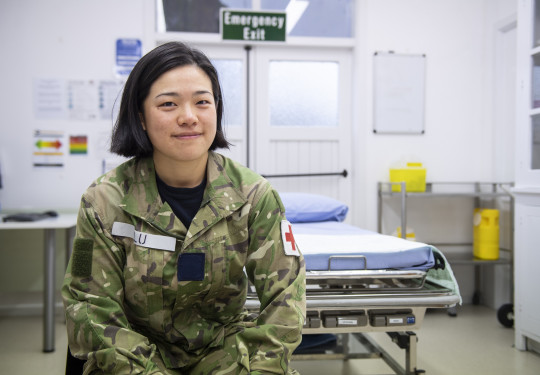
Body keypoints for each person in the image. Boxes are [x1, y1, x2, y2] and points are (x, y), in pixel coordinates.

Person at [62, 41, 306, 375]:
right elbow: (89, 307)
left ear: (216, 110)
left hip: (228, 354)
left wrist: (260, 367)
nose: (188, 117)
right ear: (141, 118)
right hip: (134, 355)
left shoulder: (254, 196)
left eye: (202, 102)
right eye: (168, 104)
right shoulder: (104, 202)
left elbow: (286, 300)